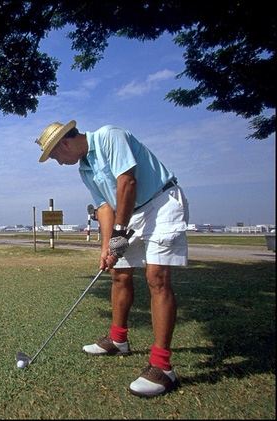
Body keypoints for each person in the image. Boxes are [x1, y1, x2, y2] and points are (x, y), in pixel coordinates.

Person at [35, 120, 189, 397]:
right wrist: (106, 247)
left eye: (56, 156)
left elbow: (127, 182)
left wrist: (119, 232)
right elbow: (105, 207)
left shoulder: (109, 136)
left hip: (161, 202)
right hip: (129, 214)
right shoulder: (85, 169)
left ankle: (162, 367)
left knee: (156, 278)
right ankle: (118, 340)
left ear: (65, 143)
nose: (58, 163)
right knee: (119, 273)